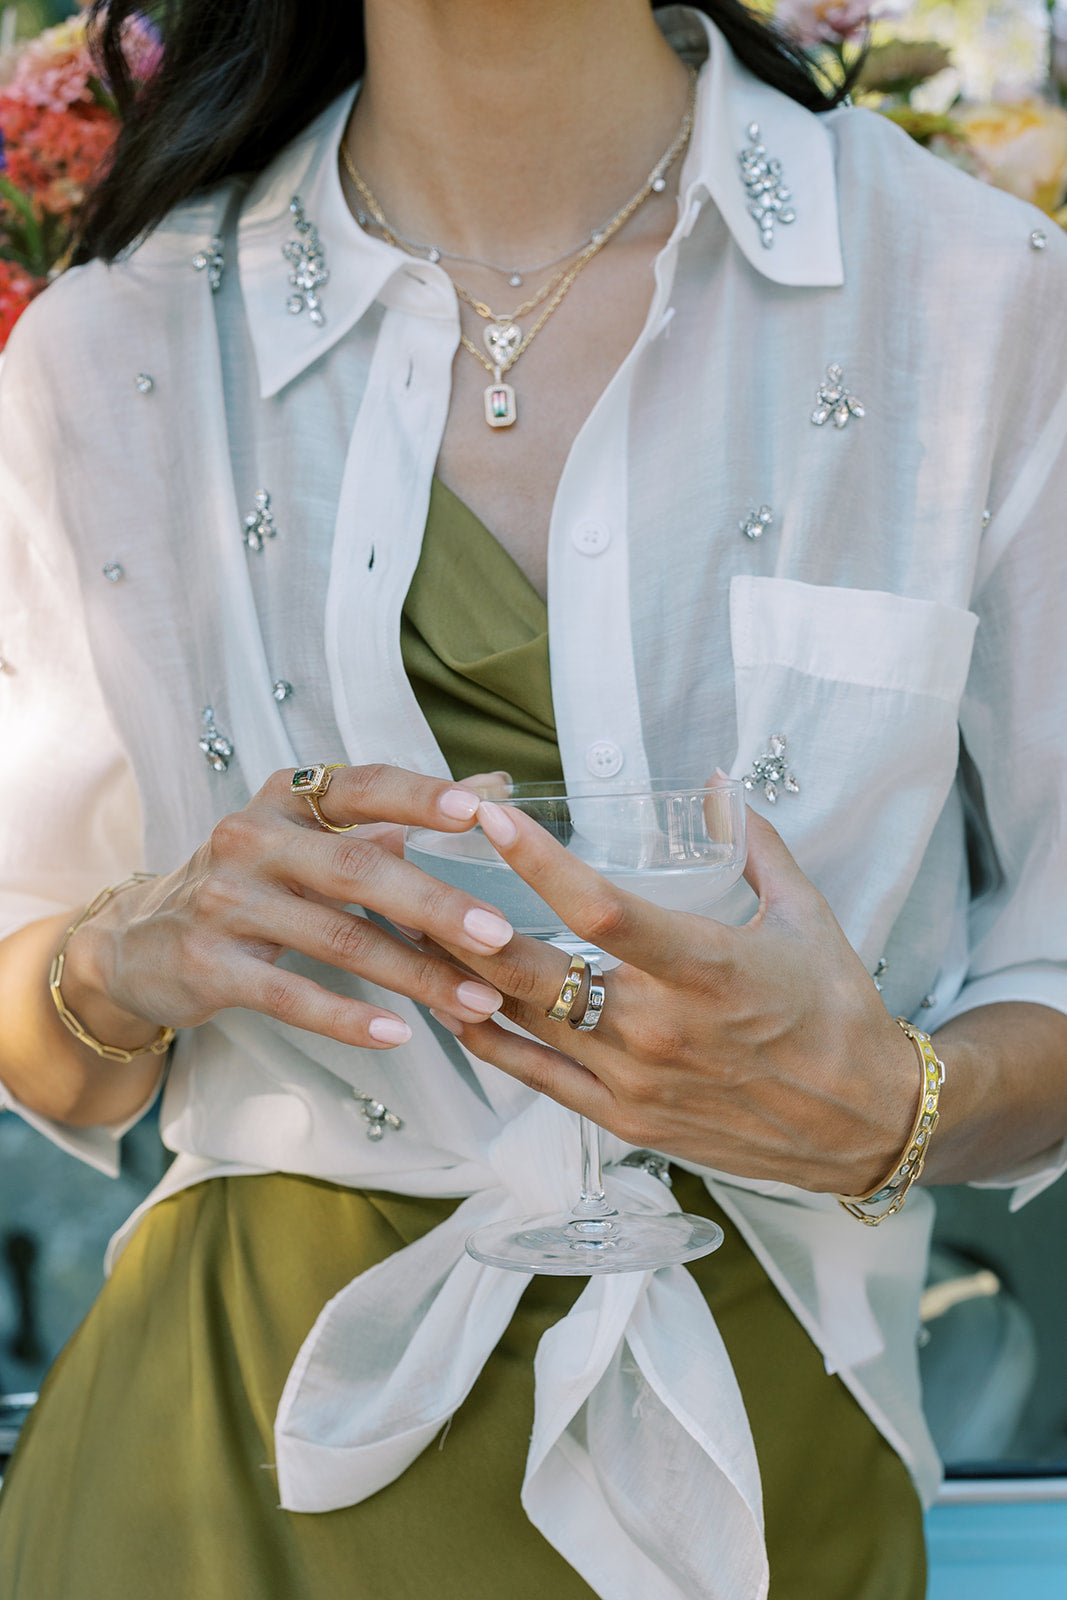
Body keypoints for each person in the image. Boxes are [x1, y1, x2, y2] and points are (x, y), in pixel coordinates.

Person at [1, 0, 1066, 1595]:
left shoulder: (976, 301)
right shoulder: (120, 347)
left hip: (773, 1468)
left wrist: (894, 1105)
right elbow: (42, 1039)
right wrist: (118, 960)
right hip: (216, 1470)